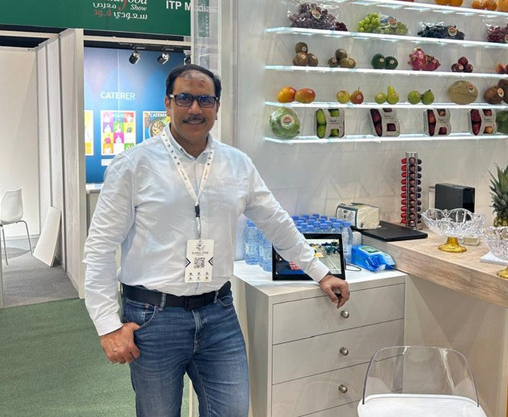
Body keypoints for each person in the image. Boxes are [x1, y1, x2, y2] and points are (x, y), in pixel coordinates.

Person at [83, 64, 350, 417]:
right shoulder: (133, 165)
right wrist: (107, 326)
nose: (195, 108)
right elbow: (100, 248)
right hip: (152, 317)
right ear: (168, 103)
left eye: (205, 100)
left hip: (218, 313)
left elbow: (276, 222)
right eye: (185, 98)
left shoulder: (237, 164)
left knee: (233, 411)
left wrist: (321, 271)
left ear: (217, 107)